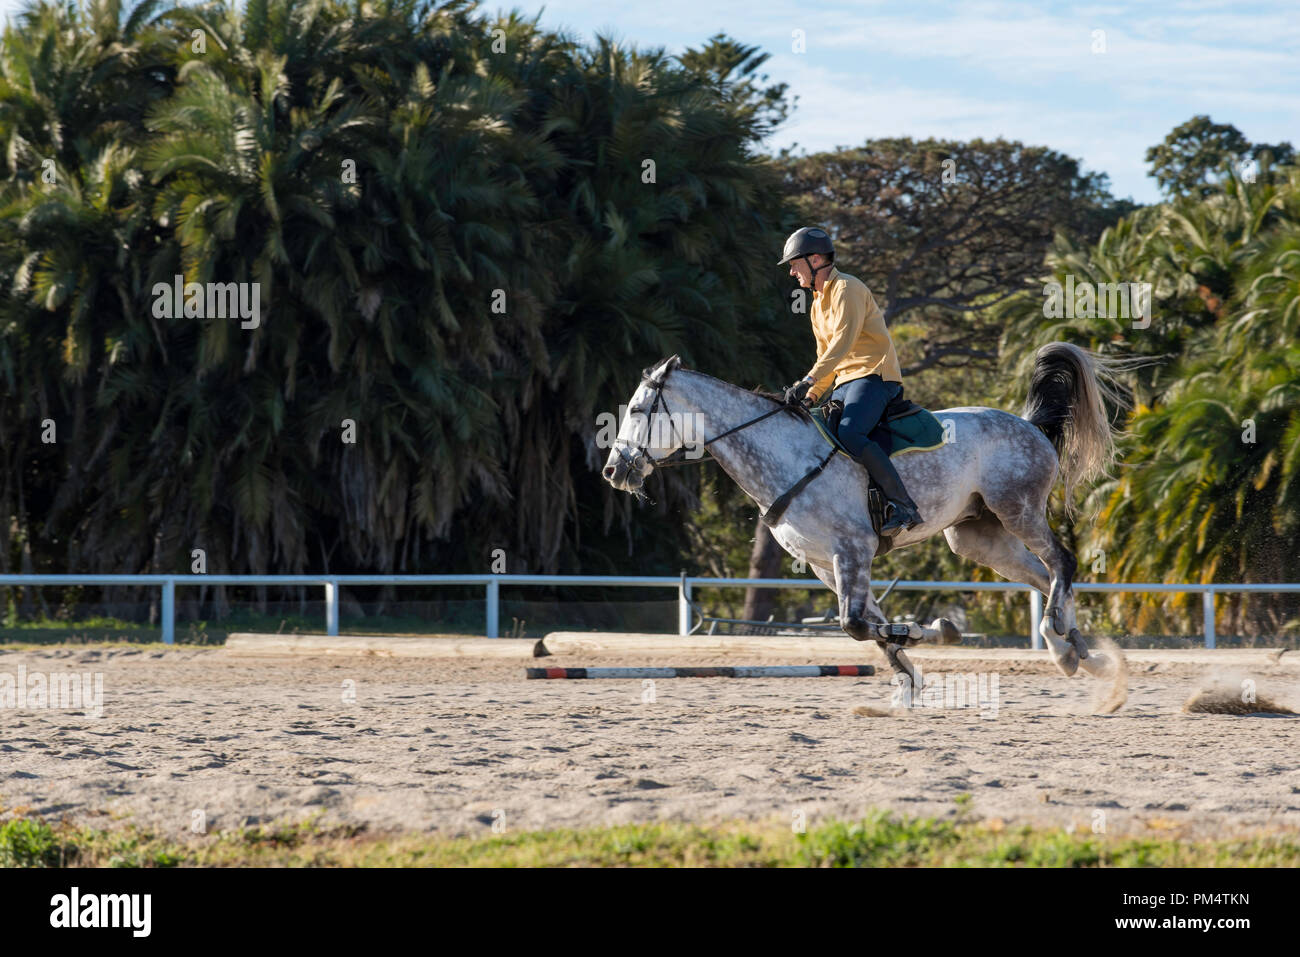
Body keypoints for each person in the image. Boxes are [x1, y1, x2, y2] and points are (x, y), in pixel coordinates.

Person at [778, 226, 922, 535]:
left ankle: (904, 505)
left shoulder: (848, 288)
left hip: (874, 376)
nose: (792, 272)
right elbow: (825, 358)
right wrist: (811, 396)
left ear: (815, 259)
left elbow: (842, 344)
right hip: (845, 383)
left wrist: (806, 380)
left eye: (794, 264)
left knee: (850, 432)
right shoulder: (816, 305)